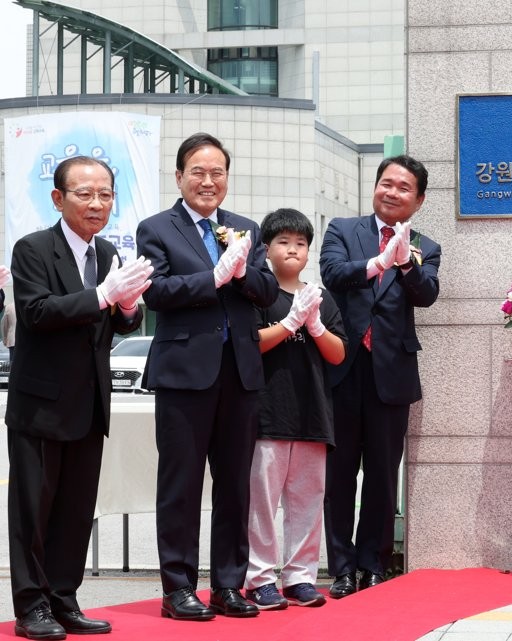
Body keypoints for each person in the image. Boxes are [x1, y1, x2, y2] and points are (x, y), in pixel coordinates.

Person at [6, 156, 150, 639]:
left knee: (74, 510)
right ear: (58, 198)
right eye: (85, 194)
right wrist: (104, 297)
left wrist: (128, 309)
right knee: (34, 511)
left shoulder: (107, 253)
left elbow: (111, 324)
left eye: (105, 194)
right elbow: (38, 312)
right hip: (41, 406)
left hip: (90, 405)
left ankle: (64, 600)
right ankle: (31, 607)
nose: (97, 203)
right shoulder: (33, 249)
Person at [137, 133, 278, 621]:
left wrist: (238, 272)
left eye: (217, 172)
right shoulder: (157, 228)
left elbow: (265, 291)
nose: (208, 181)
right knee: (180, 484)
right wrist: (212, 278)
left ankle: (227, 586)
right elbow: (155, 290)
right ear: (179, 177)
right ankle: (177, 588)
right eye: (197, 171)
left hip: (239, 374)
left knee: (235, 484)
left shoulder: (244, 229)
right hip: (183, 374)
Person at [320, 155, 440, 597]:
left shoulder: (426, 245)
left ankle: (374, 563)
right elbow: (331, 273)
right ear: (375, 187)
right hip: (342, 369)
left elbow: (426, 294)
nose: (392, 192)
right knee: (339, 473)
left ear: (419, 199)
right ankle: (341, 567)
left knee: (383, 476)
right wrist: (377, 263)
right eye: (386, 183)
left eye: (403, 187)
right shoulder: (342, 230)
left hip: (392, 373)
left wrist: (405, 262)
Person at [243, 208, 347, 611]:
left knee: (306, 501)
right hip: (267, 415)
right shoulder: (258, 292)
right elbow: (251, 343)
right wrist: (289, 322)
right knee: (263, 503)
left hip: (313, 414)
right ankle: (260, 578)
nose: (292, 250)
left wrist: (315, 324)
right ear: (266, 248)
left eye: (300, 243)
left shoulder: (321, 296)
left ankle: (301, 576)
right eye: (283, 242)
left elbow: (339, 353)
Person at [2, 299, 15, 363]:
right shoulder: (26, 305)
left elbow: (4, 325)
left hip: (12, 339)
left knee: (12, 361)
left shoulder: (9, 307)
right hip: (25, 339)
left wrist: (4, 339)